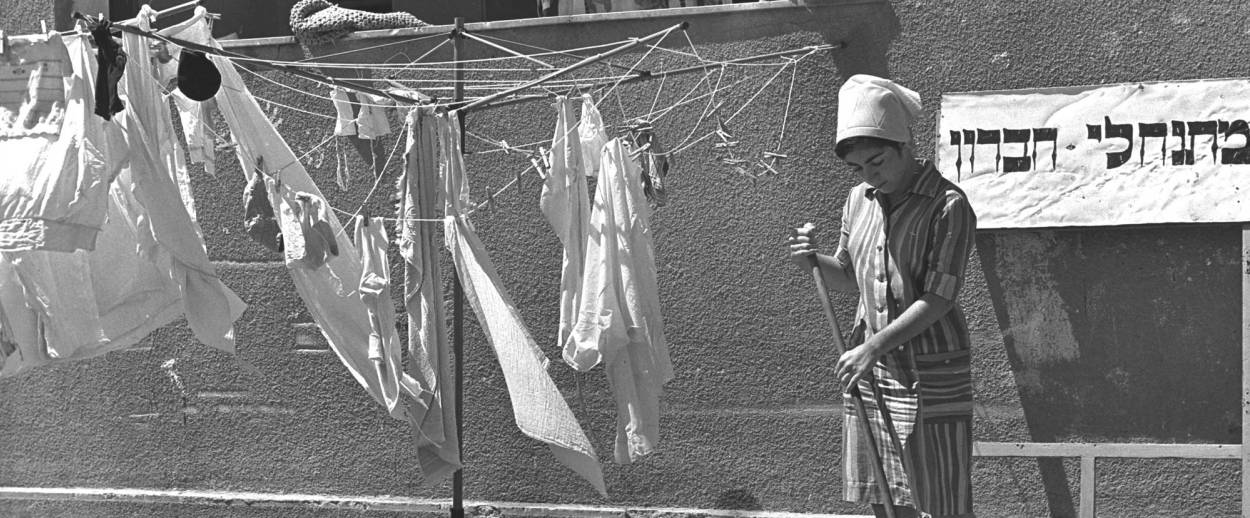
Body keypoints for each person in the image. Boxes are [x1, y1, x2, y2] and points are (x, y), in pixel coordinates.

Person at [787, 74, 977, 518]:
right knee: (885, 496)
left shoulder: (948, 205)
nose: (870, 176)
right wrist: (811, 260)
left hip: (929, 369)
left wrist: (872, 347)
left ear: (905, 147)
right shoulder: (858, 200)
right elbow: (849, 276)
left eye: (877, 162)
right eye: (858, 169)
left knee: (942, 498)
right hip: (872, 370)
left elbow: (940, 297)